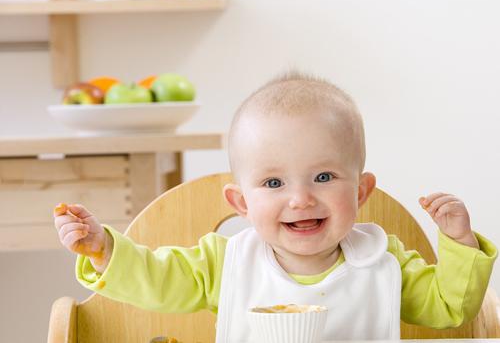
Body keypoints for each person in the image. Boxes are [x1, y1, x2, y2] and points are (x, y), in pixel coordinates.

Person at [54, 72, 497, 341]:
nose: (301, 198)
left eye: (324, 177)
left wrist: (458, 242)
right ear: (241, 203)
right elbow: (156, 278)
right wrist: (104, 250)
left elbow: (449, 307)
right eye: (273, 182)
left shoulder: (383, 262)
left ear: (361, 192)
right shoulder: (225, 264)